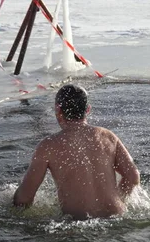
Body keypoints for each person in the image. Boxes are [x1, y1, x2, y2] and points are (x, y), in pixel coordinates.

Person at [13, 84, 140, 220]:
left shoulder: (48, 145)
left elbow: (24, 198)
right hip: (116, 217)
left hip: (78, 223)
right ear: (88, 110)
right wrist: (117, 198)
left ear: (58, 110)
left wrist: (10, 203)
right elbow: (133, 177)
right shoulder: (108, 137)